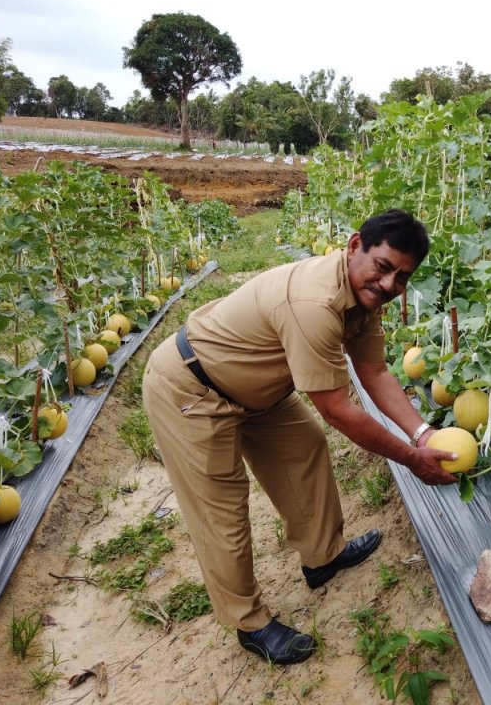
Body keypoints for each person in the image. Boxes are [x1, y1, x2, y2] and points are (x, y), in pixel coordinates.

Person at [141, 208, 458, 666]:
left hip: (258, 391)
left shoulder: (365, 298)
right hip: (193, 389)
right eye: (383, 267)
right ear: (354, 247)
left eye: (402, 277)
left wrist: (422, 432)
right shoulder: (314, 302)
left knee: (304, 447)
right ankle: (248, 622)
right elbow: (339, 411)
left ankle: (322, 556)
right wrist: (413, 459)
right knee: (222, 510)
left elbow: (373, 371)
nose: (390, 285)